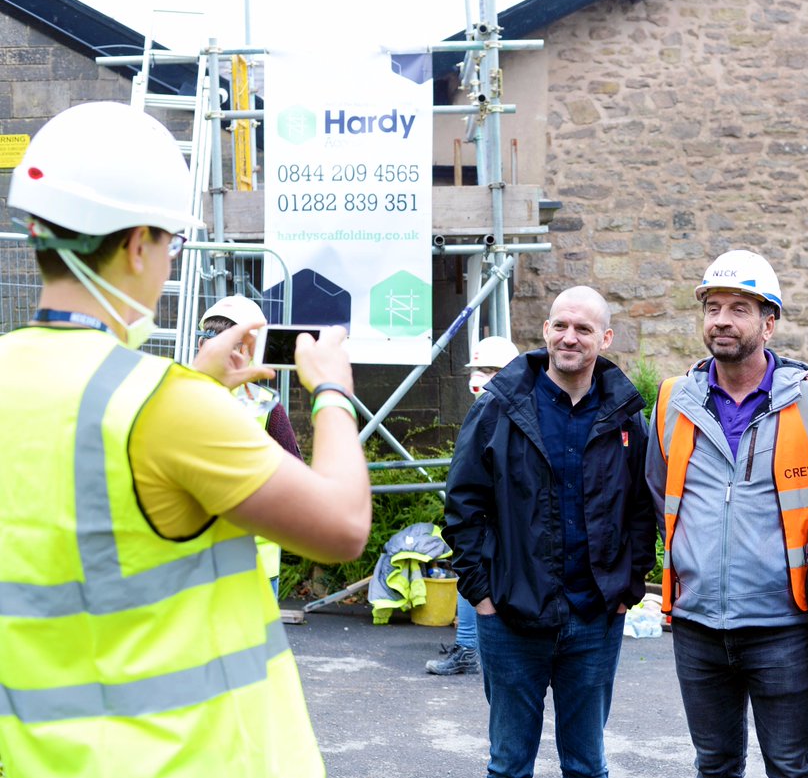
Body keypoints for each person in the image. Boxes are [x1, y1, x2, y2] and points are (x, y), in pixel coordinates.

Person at [0, 102, 372, 777]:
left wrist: (195, 381)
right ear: (137, 245)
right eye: (170, 243)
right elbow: (343, 526)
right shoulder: (165, 405)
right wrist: (332, 391)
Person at [443, 287, 657, 778]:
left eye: (583, 329)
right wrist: (482, 595)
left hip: (594, 619)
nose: (569, 337)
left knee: (586, 765)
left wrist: (625, 590)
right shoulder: (500, 407)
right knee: (508, 765)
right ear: (545, 330)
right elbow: (464, 504)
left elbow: (641, 509)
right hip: (511, 616)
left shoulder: (625, 416)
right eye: (560, 325)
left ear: (605, 338)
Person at [646, 249, 808, 778]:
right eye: (713, 308)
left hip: (783, 627)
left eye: (739, 309)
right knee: (715, 765)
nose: (721, 320)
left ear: (769, 323)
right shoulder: (673, 399)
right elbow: (658, 493)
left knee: (790, 766)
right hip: (698, 626)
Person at [425, 334, 520, 677]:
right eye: (477, 369)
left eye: (489, 369)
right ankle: (469, 646)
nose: (478, 377)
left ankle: (469, 648)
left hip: (498, 519)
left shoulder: (512, 409)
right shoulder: (491, 409)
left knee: (474, 573)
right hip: (489, 517)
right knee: (472, 573)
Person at [199, 294, 304, 599]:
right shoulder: (267, 406)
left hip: (190, 561)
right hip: (255, 561)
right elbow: (298, 482)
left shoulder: (173, 395)